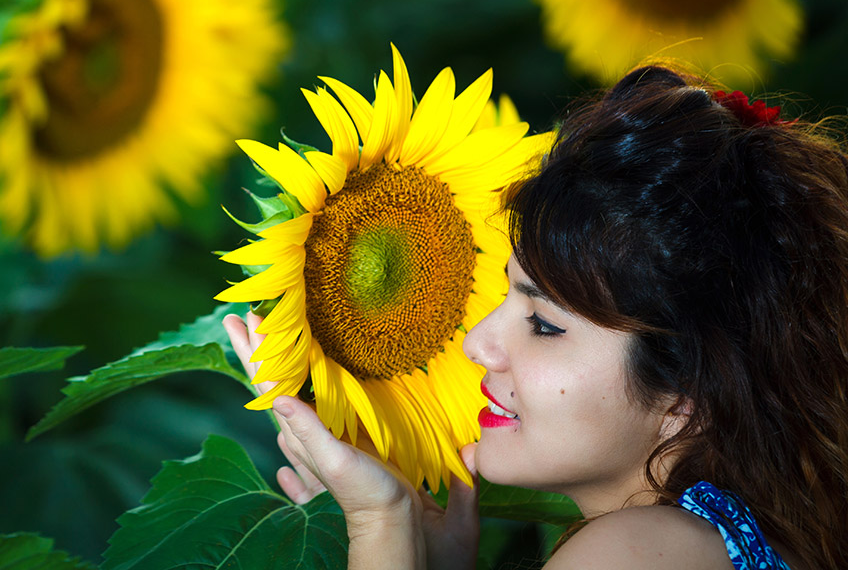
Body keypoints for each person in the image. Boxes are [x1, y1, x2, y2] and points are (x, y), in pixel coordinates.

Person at [223, 66, 848, 570]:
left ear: (686, 393)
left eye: (544, 324)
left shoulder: (631, 554)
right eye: (502, 298)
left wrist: (381, 524)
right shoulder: (739, 535)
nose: (474, 342)